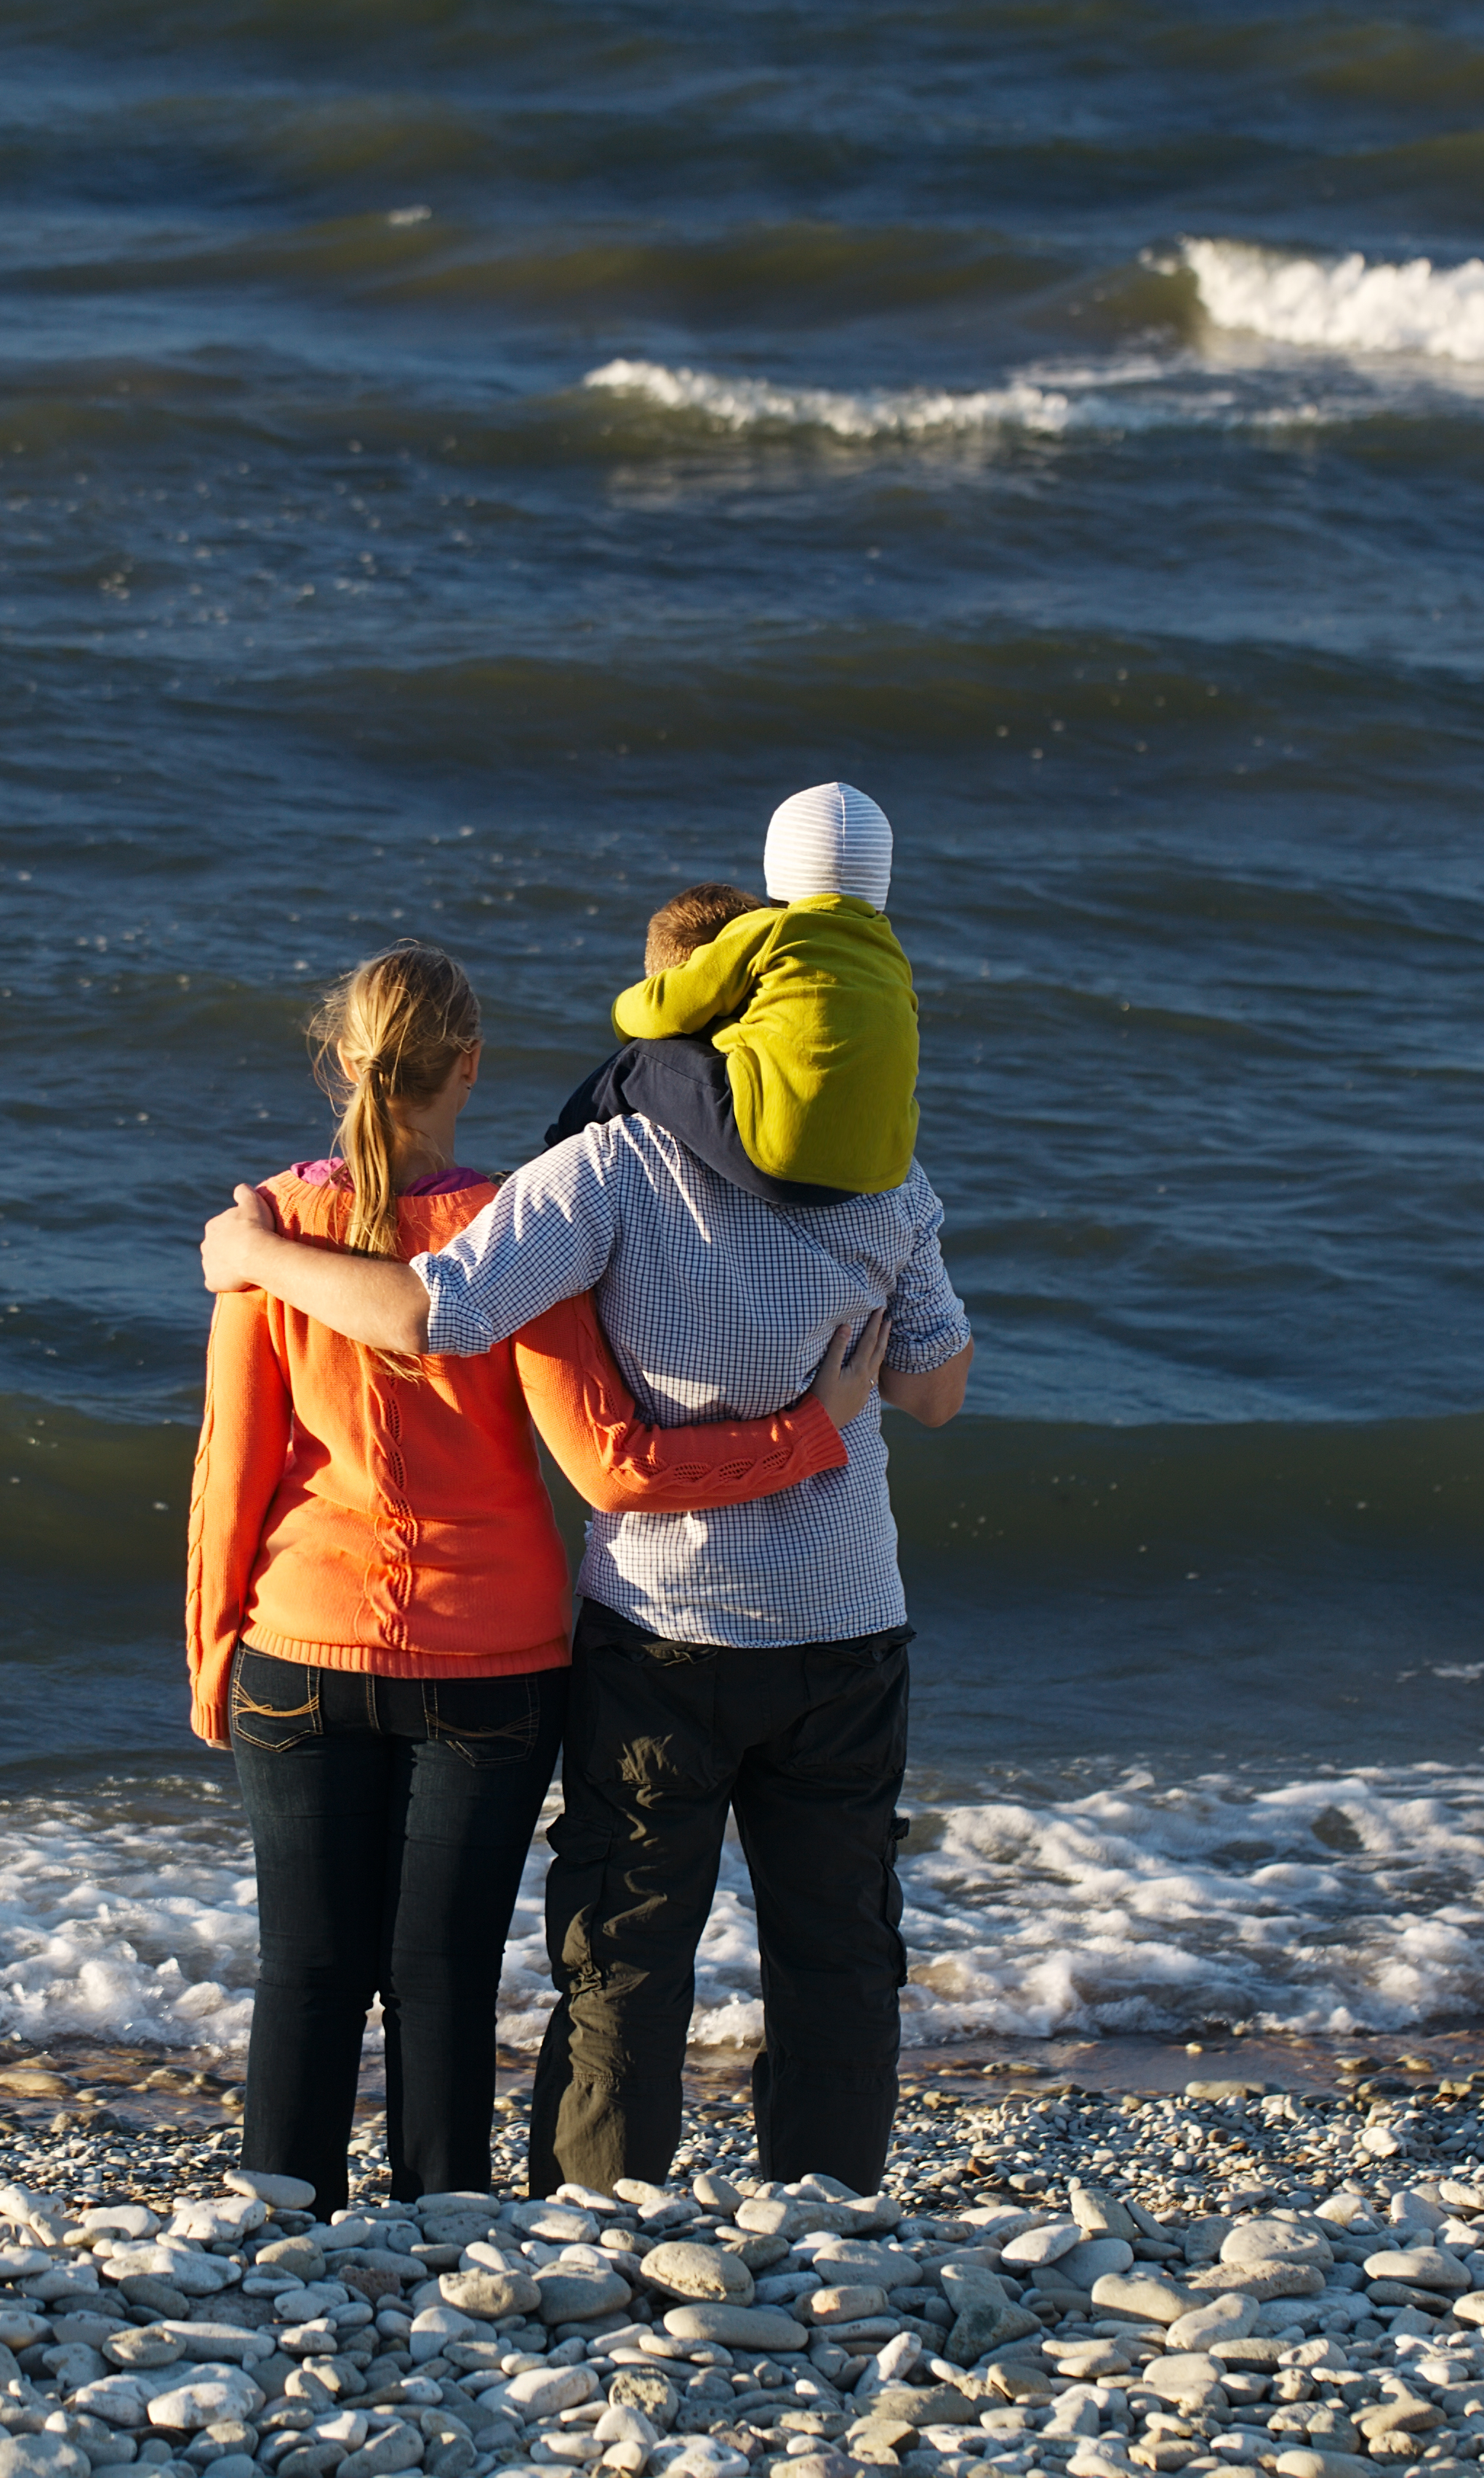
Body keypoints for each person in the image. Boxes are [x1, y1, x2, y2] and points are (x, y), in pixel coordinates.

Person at [201, 858, 971, 2197]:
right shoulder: (874, 1177)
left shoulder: (574, 1177)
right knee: (821, 1949)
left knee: (585, 1954)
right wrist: (817, 1411)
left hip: (565, 1633)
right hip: (723, 1630)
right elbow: (906, 1395)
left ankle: (543, 2217)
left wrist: (254, 1253)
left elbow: (289, 1423)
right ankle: (804, 2214)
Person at [546, 780, 920, 1212]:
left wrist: (619, 1012)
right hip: (876, 1172)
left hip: (778, 1162)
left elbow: (668, 1007)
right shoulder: (891, 957)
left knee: (641, 1061)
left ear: (779, 871)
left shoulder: (770, 929)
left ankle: (547, 1162)